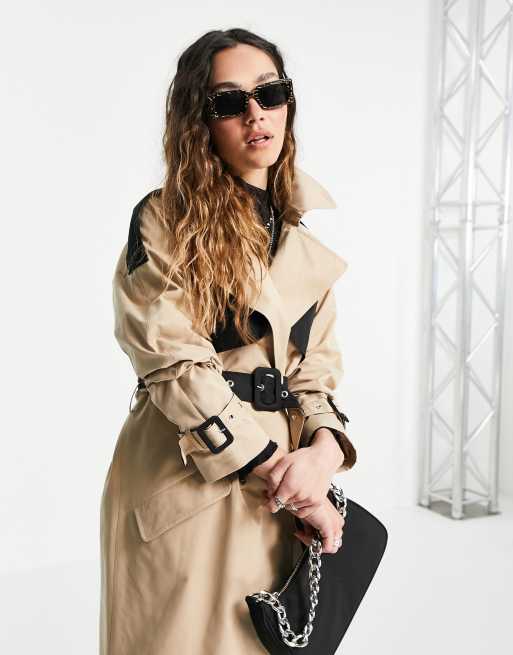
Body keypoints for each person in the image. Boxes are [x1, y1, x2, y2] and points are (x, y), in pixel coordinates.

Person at [99, 27, 357, 655]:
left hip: (280, 493)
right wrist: (288, 481)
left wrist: (323, 456)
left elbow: (314, 374)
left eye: (270, 93)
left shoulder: (299, 239)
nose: (256, 114)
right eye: (229, 101)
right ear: (199, 119)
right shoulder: (165, 219)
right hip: (189, 481)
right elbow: (172, 361)